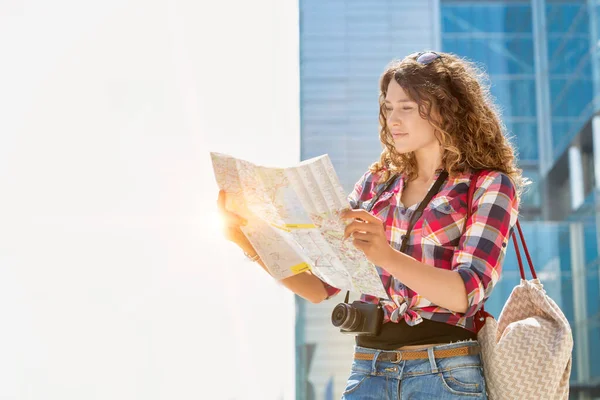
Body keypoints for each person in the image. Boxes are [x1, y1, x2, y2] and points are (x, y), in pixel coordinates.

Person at [217, 51, 524, 399]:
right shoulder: (375, 184)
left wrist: (385, 254)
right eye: (388, 107)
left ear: (445, 109)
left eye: (407, 107)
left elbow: (465, 293)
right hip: (369, 369)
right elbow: (319, 287)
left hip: (446, 372)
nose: (394, 118)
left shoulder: (488, 185)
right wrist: (248, 241)